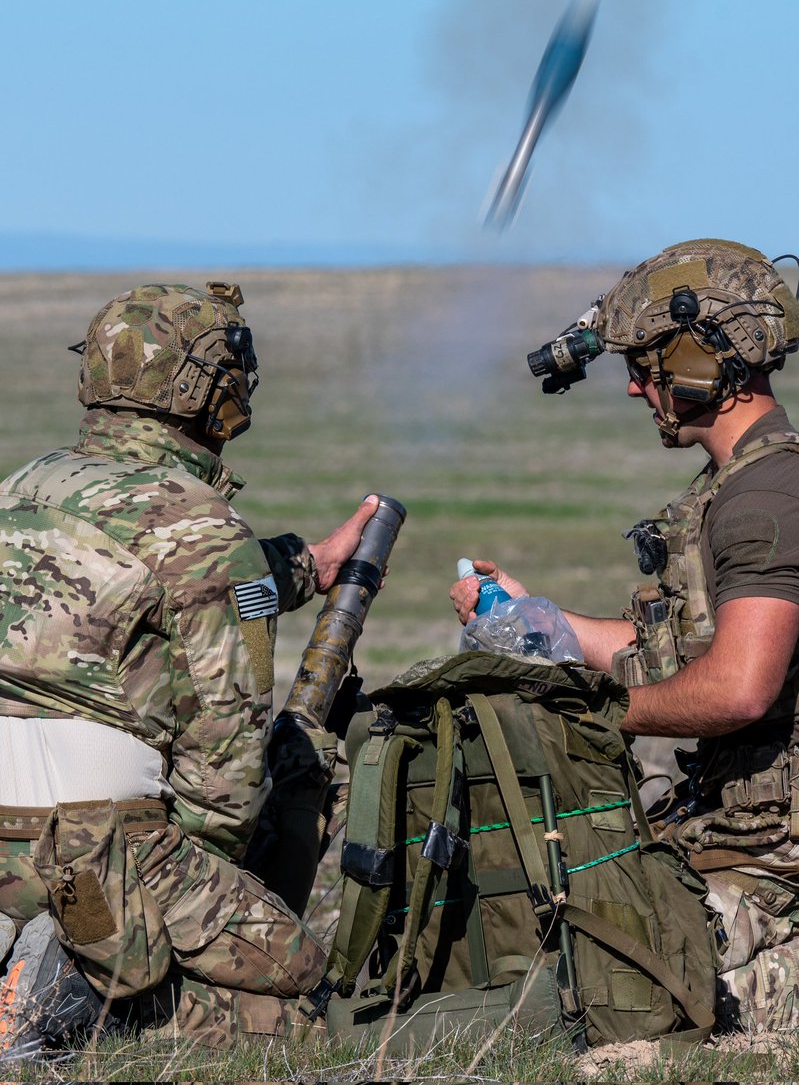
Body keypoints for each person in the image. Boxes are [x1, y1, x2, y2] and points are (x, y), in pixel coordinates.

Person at [0, 280, 380, 1050]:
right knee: (303, 1002)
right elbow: (227, 765)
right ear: (216, 392)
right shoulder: (201, 526)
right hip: (97, 854)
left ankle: (55, 956)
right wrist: (215, 893)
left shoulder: (23, 486)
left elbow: (141, 583)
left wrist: (303, 565)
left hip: (10, 839)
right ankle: (64, 1014)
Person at [451, 238, 799, 1032]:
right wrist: (540, 624)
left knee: (605, 990)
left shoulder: (768, 497)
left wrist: (585, 707)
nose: (638, 387)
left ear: (709, 359)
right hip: (730, 834)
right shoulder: (740, 484)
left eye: (649, 364)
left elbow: (737, 688)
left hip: (774, 865)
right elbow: (681, 656)